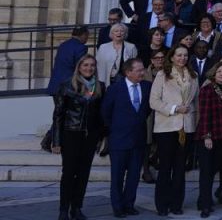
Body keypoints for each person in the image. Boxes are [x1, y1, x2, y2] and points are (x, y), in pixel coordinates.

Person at [51, 54, 105, 220]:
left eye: (92, 65)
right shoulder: (67, 86)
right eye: (85, 65)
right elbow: (58, 115)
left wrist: (101, 137)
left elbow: (101, 115)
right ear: (79, 67)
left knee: (83, 174)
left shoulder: (100, 87)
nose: (89, 68)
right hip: (71, 134)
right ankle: (63, 209)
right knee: (69, 173)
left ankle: (77, 208)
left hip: (90, 137)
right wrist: (56, 141)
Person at [149, 45, 197, 216]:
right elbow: (154, 101)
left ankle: (177, 204)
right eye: (179, 55)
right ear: (172, 57)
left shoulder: (193, 76)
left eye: (185, 55)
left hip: (187, 127)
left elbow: (195, 103)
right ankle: (162, 204)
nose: (182, 58)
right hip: (167, 127)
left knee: (180, 169)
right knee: (165, 168)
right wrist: (175, 108)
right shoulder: (163, 75)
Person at [102, 58, 152, 218]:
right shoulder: (115, 89)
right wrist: (115, 130)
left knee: (134, 175)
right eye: (138, 70)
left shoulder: (146, 86)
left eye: (142, 69)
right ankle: (117, 207)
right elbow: (105, 113)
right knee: (117, 176)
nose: (142, 73)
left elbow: (147, 110)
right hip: (119, 140)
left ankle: (129, 204)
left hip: (138, 139)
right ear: (128, 72)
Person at [195, 61, 222, 218]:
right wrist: (206, 136)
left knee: (214, 170)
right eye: (219, 71)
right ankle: (205, 205)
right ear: (214, 73)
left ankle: (203, 200)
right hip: (209, 136)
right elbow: (204, 114)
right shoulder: (207, 90)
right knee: (206, 172)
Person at [47, 26, 90, 96]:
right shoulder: (81, 47)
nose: (87, 38)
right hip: (69, 85)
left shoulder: (63, 45)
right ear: (83, 35)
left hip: (55, 84)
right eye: (87, 35)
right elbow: (81, 66)